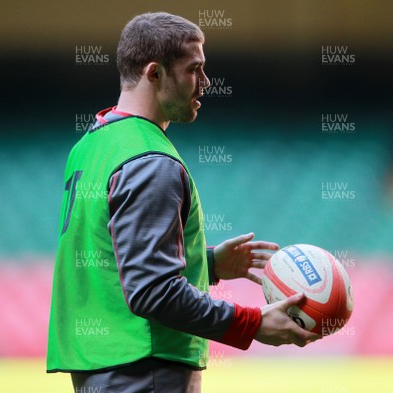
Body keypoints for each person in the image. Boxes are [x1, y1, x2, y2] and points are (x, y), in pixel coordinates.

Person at [47, 11, 320, 393]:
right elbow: (152, 290)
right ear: (154, 73)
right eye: (195, 69)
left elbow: (116, 262)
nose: (206, 83)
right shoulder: (150, 161)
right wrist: (253, 323)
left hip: (101, 370)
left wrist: (206, 263)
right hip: (144, 373)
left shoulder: (91, 145)